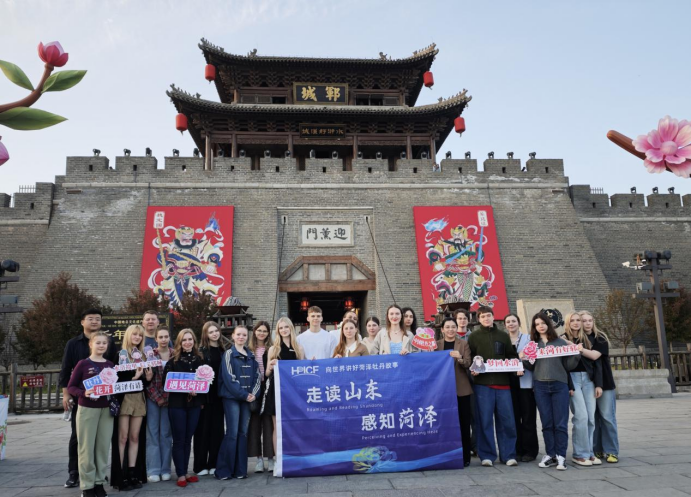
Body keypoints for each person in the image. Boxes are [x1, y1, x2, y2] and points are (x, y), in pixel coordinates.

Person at [59, 308, 117, 489]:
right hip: (82, 400)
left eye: (98, 319)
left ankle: (99, 477)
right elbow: (66, 370)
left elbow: (115, 370)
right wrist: (67, 394)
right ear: (82, 322)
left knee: (101, 442)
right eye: (90, 318)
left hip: (104, 403)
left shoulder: (109, 345)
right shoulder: (73, 344)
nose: (94, 321)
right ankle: (75, 473)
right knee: (79, 438)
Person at [521, 313, 581, 471]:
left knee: (560, 423)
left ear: (548, 324)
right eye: (537, 324)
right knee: (547, 423)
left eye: (543, 323)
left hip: (559, 385)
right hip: (540, 386)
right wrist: (524, 358)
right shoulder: (533, 345)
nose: (540, 326)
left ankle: (561, 455)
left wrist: (576, 353)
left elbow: (568, 366)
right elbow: (531, 366)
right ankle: (550, 454)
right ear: (534, 327)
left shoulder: (560, 342)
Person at [467, 306, 519, 467]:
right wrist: (473, 369)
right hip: (482, 386)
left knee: (507, 421)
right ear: (478, 319)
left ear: (493, 317)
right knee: (484, 421)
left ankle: (508, 455)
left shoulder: (503, 336)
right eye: (483, 317)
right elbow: (470, 358)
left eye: (488, 315)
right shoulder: (473, 337)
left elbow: (511, 356)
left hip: (503, 385)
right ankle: (487, 455)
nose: (486, 319)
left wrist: (516, 365)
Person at [67, 331, 115, 497]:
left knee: (102, 448)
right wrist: (83, 393)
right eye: (98, 342)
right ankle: (87, 486)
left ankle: (99, 482)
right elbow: (71, 386)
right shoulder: (83, 364)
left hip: (106, 410)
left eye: (104, 343)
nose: (101, 345)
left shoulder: (110, 365)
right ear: (91, 344)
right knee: (86, 448)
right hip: (87, 409)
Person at [215, 325, 261, 480]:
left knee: (243, 433)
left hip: (247, 399)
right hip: (232, 398)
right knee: (232, 433)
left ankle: (240, 470)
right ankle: (224, 471)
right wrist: (244, 394)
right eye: (238, 334)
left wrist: (253, 394)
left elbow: (257, 377)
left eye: (244, 335)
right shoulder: (228, 354)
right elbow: (229, 378)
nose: (241, 337)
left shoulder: (251, 356)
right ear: (233, 336)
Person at [111, 324, 151, 491]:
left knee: (135, 437)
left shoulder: (143, 356)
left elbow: (144, 383)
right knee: (123, 437)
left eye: (140, 335)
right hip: (124, 398)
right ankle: (120, 475)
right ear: (128, 335)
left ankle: (133, 473)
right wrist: (134, 378)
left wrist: (147, 378)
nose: (137, 337)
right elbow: (114, 380)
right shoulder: (120, 355)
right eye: (134, 334)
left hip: (139, 398)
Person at [164, 329, 206, 488]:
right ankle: (180, 473)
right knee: (179, 439)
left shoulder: (200, 360)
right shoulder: (173, 361)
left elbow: (206, 382)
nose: (187, 342)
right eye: (184, 340)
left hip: (194, 405)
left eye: (190, 339)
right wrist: (185, 388)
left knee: (188, 439)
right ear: (179, 342)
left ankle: (186, 471)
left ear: (194, 341)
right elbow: (167, 383)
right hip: (177, 405)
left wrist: (199, 391)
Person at [563, 312, 602, 467]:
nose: (576, 322)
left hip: (588, 379)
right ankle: (579, 454)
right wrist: (568, 385)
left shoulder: (587, 338)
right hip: (572, 379)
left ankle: (589, 452)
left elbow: (597, 363)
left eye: (578, 320)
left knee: (591, 418)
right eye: (572, 320)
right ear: (568, 322)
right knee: (581, 416)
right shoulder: (562, 339)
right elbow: (561, 364)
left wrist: (598, 384)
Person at [580, 310, 619, 464]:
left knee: (607, 417)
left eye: (590, 320)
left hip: (605, 383)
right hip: (587, 383)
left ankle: (611, 451)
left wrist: (576, 348)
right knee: (593, 418)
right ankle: (596, 449)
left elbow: (594, 356)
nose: (587, 323)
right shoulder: (577, 339)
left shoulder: (600, 338)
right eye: (584, 320)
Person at [263, 317, 305, 455]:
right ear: (277, 331)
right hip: (276, 390)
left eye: (286, 327)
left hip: (294, 391)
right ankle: (278, 459)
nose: (284, 330)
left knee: (294, 425)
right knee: (277, 426)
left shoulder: (299, 348)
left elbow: (303, 371)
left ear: (291, 328)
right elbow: (267, 373)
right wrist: (270, 366)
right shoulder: (273, 349)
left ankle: (294, 455)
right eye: (280, 328)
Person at [193, 321, 228, 477]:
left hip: (219, 397)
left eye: (216, 331)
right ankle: (200, 465)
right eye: (211, 332)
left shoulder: (223, 351)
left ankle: (214, 463)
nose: (214, 334)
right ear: (205, 334)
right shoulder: (200, 352)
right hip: (204, 398)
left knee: (217, 431)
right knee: (202, 431)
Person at [437, 317, 473, 467]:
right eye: (447, 327)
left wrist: (460, 358)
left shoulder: (463, 344)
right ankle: (445, 454)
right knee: (444, 423)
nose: (450, 330)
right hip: (442, 390)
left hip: (461, 389)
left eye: (453, 327)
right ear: (442, 329)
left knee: (464, 423)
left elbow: (469, 363)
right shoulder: (436, 345)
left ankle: (465, 456)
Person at [505, 313, 539, 462]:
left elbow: (533, 359)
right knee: (514, 418)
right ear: (505, 325)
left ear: (519, 323)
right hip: (509, 384)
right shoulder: (503, 340)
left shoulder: (528, 339)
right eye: (508, 322)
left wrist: (521, 363)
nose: (511, 324)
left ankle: (530, 451)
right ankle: (517, 450)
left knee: (528, 418)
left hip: (526, 383)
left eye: (514, 321)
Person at [145, 327, 173, 483]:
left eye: (166, 336)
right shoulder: (150, 355)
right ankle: (153, 469)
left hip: (170, 399)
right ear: (155, 339)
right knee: (153, 433)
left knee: (166, 434)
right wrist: (158, 398)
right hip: (153, 398)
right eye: (160, 337)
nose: (163, 339)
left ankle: (166, 469)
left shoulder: (175, 354)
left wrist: (167, 397)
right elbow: (147, 379)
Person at [248, 321, 275, 473]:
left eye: (265, 331)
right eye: (259, 330)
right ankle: (258, 459)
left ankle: (270, 458)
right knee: (254, 424)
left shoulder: (272, 348)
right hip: (253, 389)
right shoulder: (248, 350)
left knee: (268, 424)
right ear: (254, 332)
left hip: (268, 387)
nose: (262, 333)